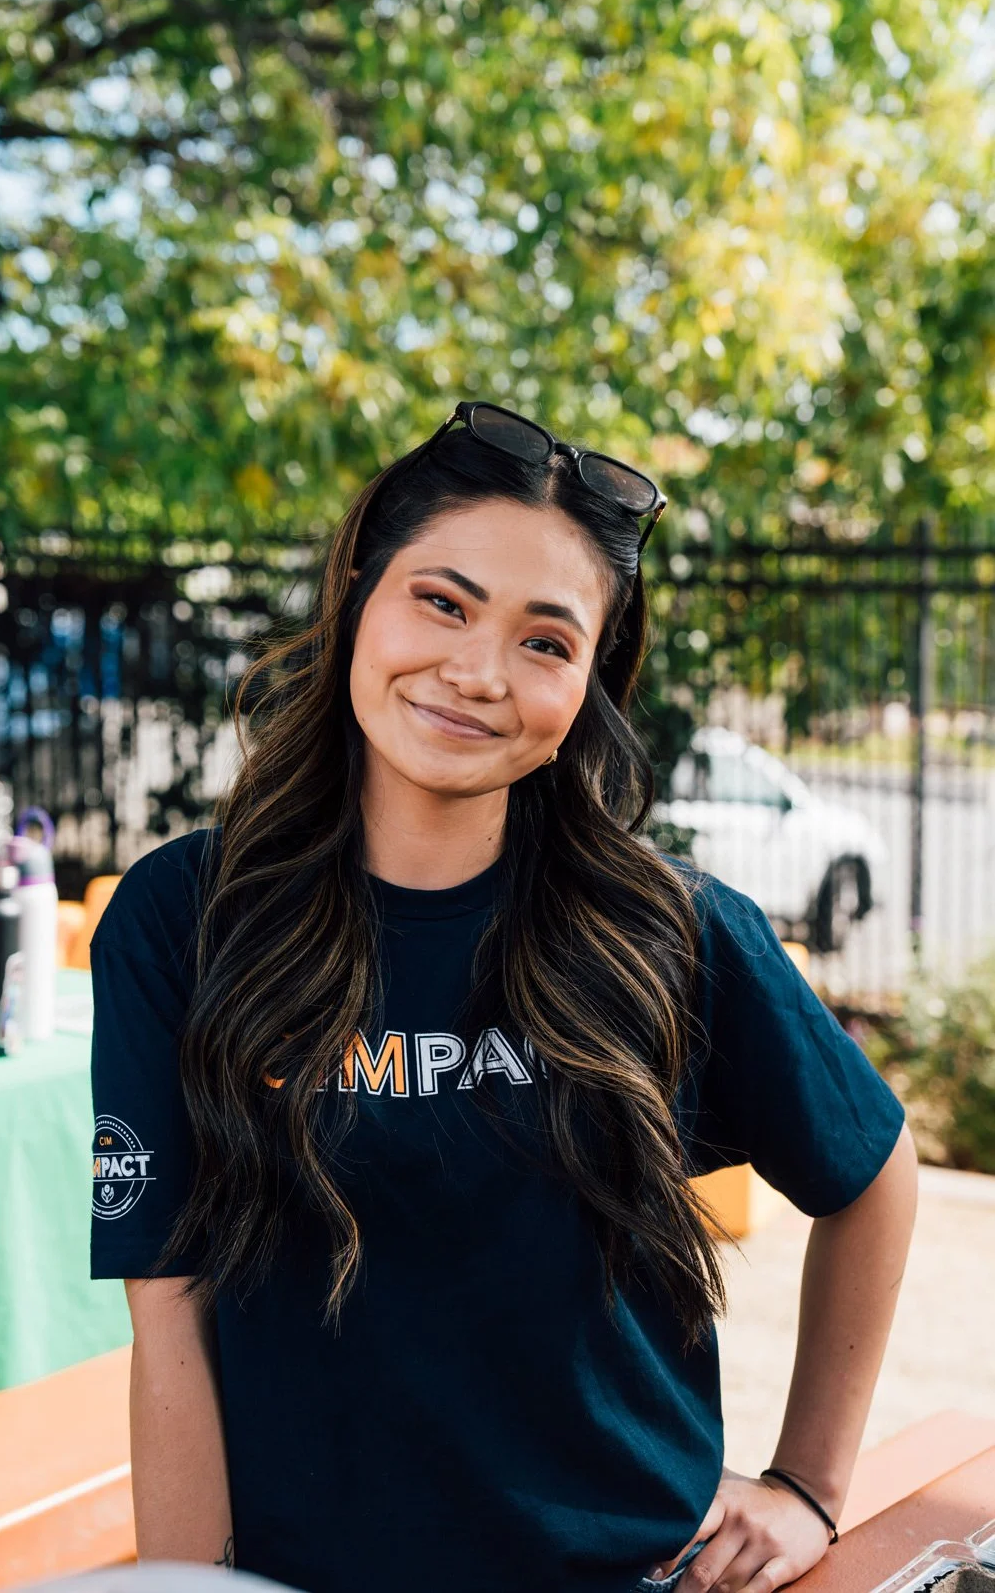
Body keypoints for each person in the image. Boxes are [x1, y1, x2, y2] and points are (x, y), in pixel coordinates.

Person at [89, 401, 917, 1593]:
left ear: (588, 681)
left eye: (546, 640)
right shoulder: (185, 916)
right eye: (442, 599)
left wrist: (806, 1485)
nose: (477, 671)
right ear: (359, 593)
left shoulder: (669, 930)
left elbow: (872, 1173)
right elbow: (168, 1311)